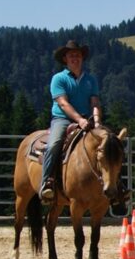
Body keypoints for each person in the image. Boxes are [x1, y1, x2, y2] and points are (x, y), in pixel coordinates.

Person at [40, 40, 104, 204]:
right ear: (65, 59)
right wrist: (80, 120)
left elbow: (95, 102)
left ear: (82, 58)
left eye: (77, 55)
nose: (75, 58)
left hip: (86, 119)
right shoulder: (58, 79)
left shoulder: (91, 79)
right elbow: (63, 103)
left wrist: (97, 122)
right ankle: (46, 182)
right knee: (54, 144)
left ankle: (116, 186)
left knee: (109, 144)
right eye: (71, 55)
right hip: (62, 119)